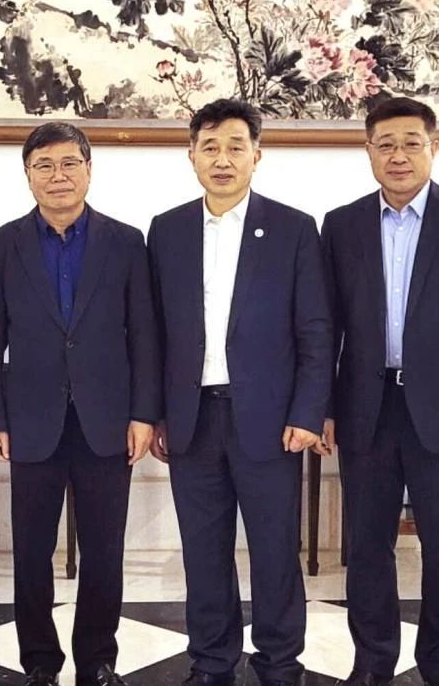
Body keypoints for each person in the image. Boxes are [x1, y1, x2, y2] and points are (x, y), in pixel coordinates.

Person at [321, 97, 439, 686]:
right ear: (369, 152)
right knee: (367, 548)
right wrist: (323, 407)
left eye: (411, 143)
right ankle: (372, 662)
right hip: (366, 407)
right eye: (386, 144)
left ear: (435, 148)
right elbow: (326, 326)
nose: (398, 155)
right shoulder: (342, 224)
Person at [146, 98, 332, 686]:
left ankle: (280, 662)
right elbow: (153, 332)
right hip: (192, 416)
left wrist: (308, 411)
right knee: (203, 551)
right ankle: (211, 661)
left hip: (271, 420)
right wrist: (155, 414)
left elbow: (316, 329)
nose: (222, 159)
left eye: (235, 147)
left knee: (275, 550)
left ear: (257, 155)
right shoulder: (167, 229)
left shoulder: (293, 228)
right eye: (210, 147)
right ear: (192, 156)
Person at [0, 122, 160, 686]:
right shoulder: (0, 246)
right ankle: (39, 661)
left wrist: (144, 413)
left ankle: (98, 659)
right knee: (31, 551)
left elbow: (144, 335)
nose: (58, 176)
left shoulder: (126, 243)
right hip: (31, 420)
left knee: (104, 550)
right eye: (44, 165)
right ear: (28, 175)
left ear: (89, 169)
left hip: (108, 420)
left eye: (69, 163)